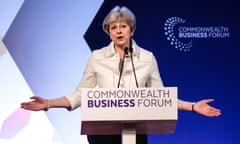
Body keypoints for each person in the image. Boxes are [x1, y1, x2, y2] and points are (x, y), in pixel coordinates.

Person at [21, 5, 221, 144]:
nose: (118, 31)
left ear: (131, 30)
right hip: (102, 131)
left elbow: (161, 98)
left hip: (134, 130)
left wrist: (193, 106)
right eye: (113, 27)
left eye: (123, 26)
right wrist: (48, 103)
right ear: (108, 32)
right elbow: (80, 95)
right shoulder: (97, 57)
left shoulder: (147, 58)